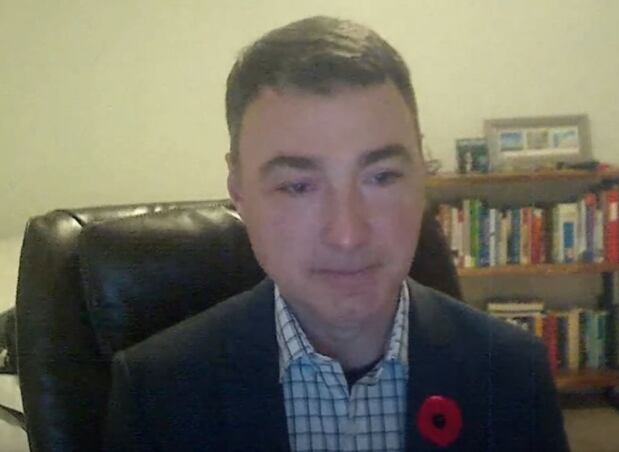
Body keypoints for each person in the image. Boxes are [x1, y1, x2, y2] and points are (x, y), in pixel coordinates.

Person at [103, 16, 569, 452]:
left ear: (422, 175)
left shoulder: (512, 370)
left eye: (382, 177)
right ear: (239, 190)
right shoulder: (155, 393)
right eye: (298, 186)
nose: (347, 235)